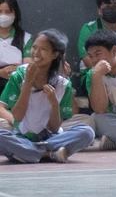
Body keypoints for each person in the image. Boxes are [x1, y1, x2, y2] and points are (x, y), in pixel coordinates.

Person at [0, 29, 93, 163]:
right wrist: (27, 85)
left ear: (54, 54)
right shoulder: (19, 75)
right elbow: (17, 117)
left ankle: (31, 152)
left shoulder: (62, 84)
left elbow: (55, 128)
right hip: (21, 136)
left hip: (50, 137)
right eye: (34, 47)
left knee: (87, 132)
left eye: (43, 49)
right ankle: (49, 154)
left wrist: (54, 103)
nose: (36, 53)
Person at [0, 0, 25, 84]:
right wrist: (1, 73)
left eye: (8, 12)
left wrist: (17, 69)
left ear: (15, 14)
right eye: (0, 11)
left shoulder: (26, 38)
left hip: (16, 84)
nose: (3, 16)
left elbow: (29, 65)